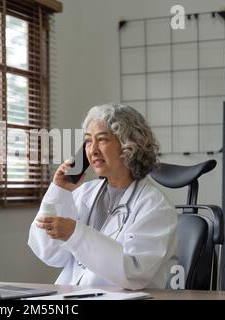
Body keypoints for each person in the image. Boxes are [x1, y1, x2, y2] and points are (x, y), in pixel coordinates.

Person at [28, 104, 178, 290]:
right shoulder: (84, 193)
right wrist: (59, 191)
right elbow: (50, 254)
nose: (93, 150)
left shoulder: (155, 207)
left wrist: (76, 234)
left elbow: (133, 272)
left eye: (102, 140)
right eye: (88, 141)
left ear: (128, 145)